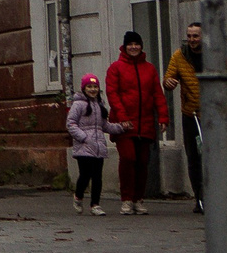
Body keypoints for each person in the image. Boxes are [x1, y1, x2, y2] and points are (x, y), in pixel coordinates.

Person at [165, 22, 227, 215]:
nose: (191, 40)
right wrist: (169, 82)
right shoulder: (179, 56)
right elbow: (169, 78)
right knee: (195, 159)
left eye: (195, 36)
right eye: (189, 36)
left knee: (215, 157)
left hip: (215, 117)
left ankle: (219, 196)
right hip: (191, 115)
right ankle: (200, 198)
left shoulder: (215, 55)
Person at [103, 29, 166, 216]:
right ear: (125, 46)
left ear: (141, 46)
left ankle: (138, 199)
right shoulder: (116, 68)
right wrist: (123, 118)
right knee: (128, 158)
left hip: (145, 122)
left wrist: (163, 116)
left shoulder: (150, 69)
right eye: (130, 44)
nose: (133, 47)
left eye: (136, 44)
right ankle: (126, 199)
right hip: (124, 124)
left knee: (142, 162)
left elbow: (157, 94)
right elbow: (112, 94)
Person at [66, 74, 112, 216]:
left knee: (97, 176)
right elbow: (71, 124)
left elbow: (104, 125)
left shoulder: (100, 104)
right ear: (84, 88)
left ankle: (95, 205)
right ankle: (78, 196)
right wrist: (84, 137)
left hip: (98, 146)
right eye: (89, 87)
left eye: (95, 87)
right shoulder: (78, 104)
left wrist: (121, 127)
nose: (93, 89)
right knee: (85, 175)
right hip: (84, 147)